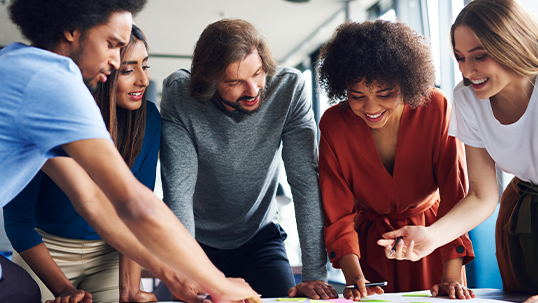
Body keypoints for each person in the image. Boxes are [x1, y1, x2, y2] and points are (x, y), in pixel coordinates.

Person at [0, 1, 262, 303]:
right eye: (112, 45)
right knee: (22, 292)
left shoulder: (20, 63)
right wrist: (218, 283)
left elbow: (92, 200)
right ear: (72, 31)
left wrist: (173, 276)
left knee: (22, 291)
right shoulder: (52, 82)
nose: (114, 60)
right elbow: (134, 203)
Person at [160, 18, 337, 299]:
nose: (253, 90)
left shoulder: (289, 90)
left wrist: (315, 274)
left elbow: (305, 184)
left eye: (257, 73)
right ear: (209, 80)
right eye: (234, 82)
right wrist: (187, 271)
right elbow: (178, 191)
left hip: (260, 239)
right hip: (195, 243)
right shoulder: (180, 95)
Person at [378, 1, 538, 302]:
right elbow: (482, 195)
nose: (467, 70)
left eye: (480, 56)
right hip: (521, 222)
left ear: (513, 45)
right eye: (460, 57)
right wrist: (431, 237)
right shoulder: (468, 100)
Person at [317, 20, 475, 300]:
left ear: (406, 81)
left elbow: (455, 195)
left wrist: (450, 276)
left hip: (432, 240)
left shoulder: (435, 108)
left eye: (385, 93)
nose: (371, 107)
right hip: (367, 249)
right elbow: (338, 213)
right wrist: (355, 278)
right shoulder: (334, 124)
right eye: (357, 96)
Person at [4, 25, 159, 303]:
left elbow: (134, 210)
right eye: (127, 70)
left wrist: (130, 290)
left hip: (112, 250)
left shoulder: (148, 119)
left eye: (145, 66)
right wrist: (64, 289)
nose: (143, 80)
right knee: (24, 294)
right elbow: (18, 221)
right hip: (47, 249)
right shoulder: (45, 110)